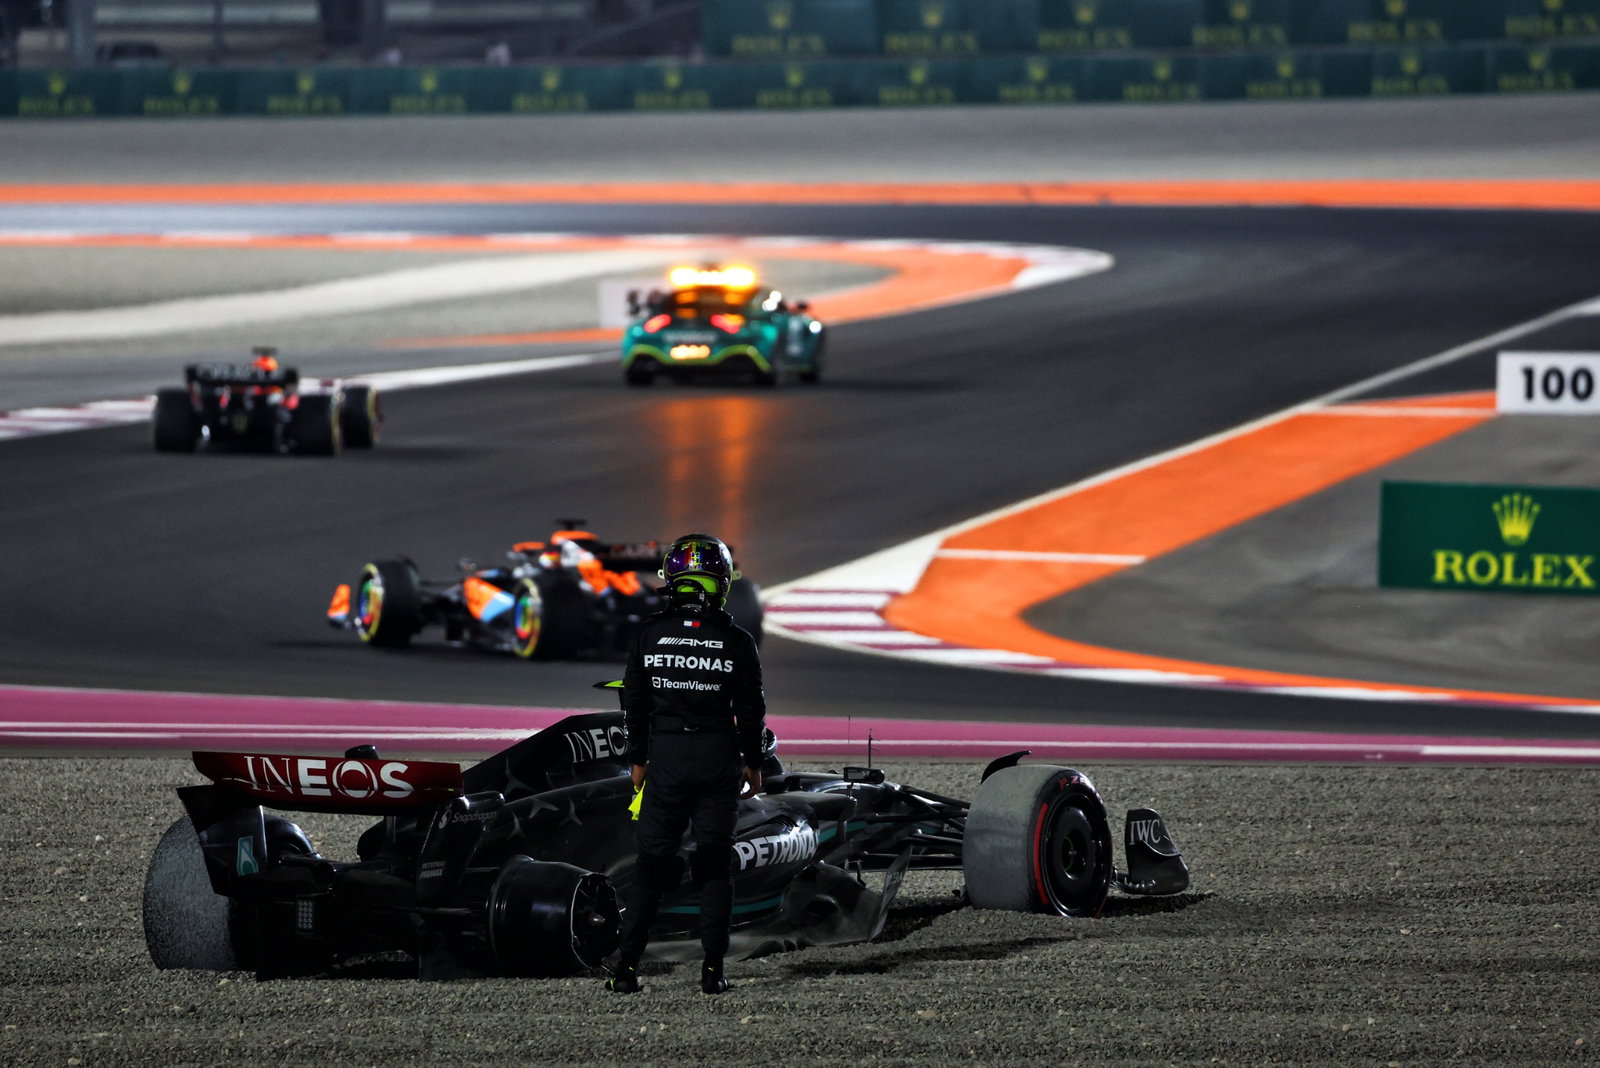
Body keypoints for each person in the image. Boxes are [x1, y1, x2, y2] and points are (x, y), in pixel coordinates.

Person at [606, 533, 765, 996]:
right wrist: (752, 762)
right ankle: (713, 973)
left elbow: (633, 705)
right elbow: (751, 710)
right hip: (717, 759)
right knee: (714, 867)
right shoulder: (738, 640)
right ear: (720, 584)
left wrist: (638, 760)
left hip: (667, 760)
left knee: (652, 865)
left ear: (671, 581)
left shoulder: (648, 634)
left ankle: (626, 970)